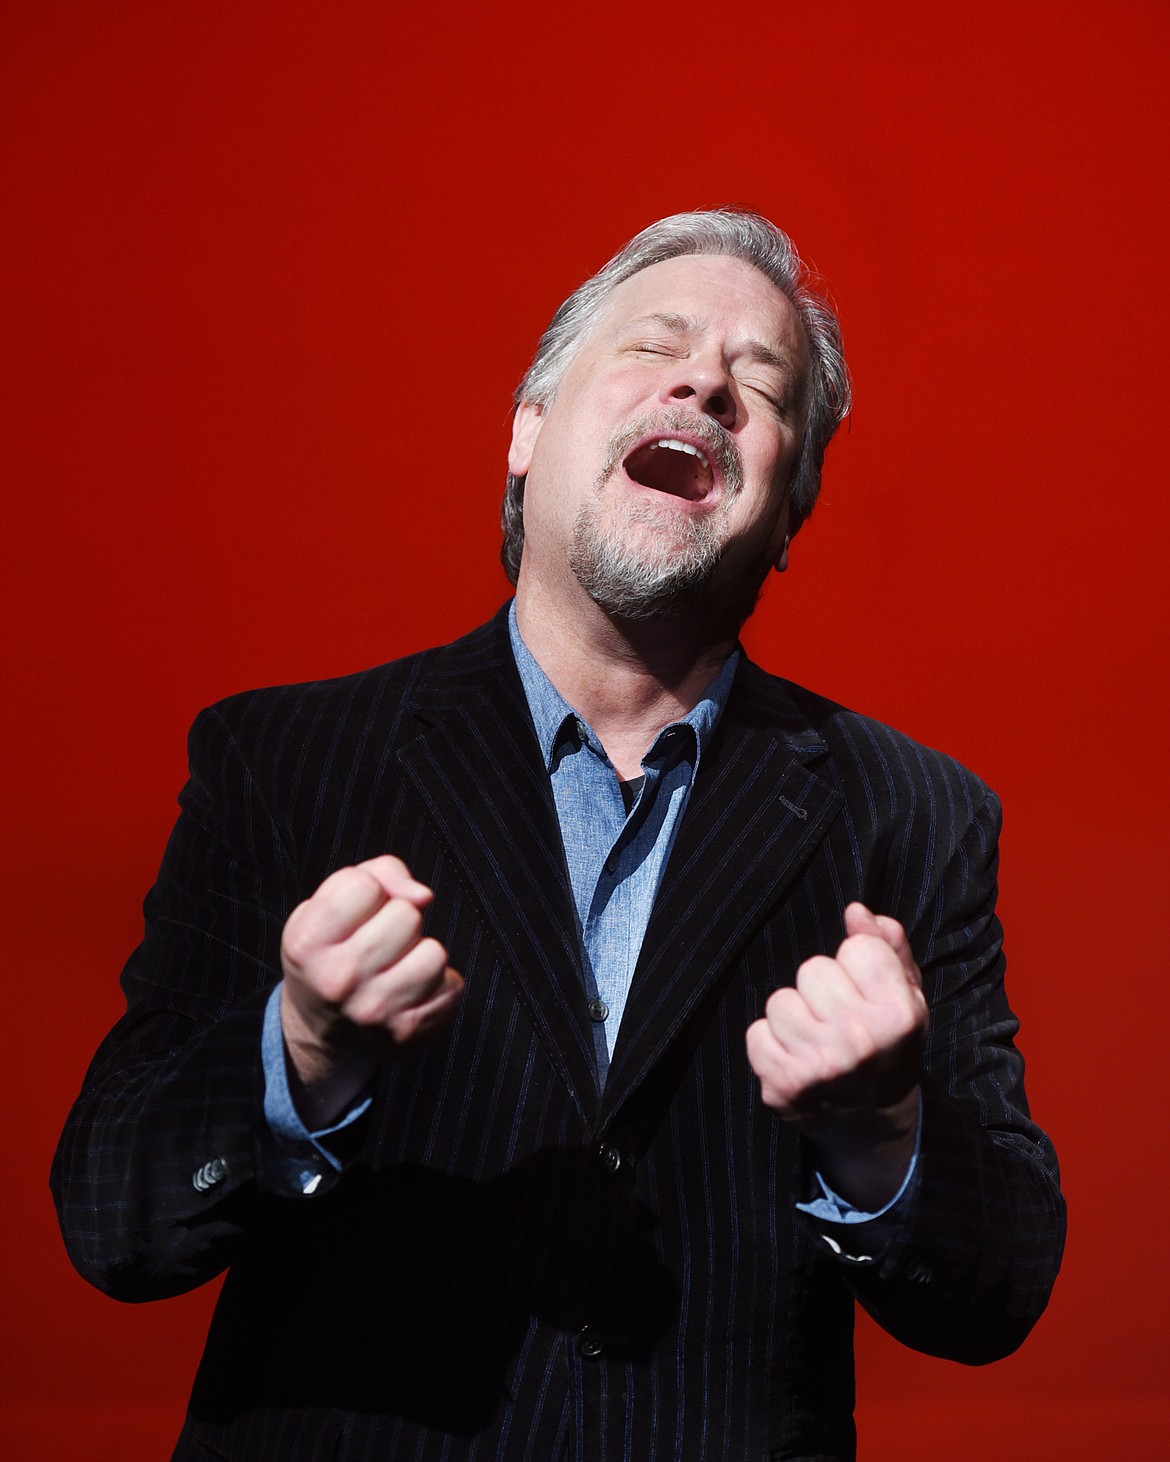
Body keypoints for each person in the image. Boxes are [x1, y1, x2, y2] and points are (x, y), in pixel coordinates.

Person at [52, 209, 1065, 1462]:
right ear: (528, 429)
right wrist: (296, 1054)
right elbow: (112, 1218)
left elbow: (1001, 1283)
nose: (707, 381)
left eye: (762, 383)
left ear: (789, 514)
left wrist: (883, 1129)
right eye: (658, 345)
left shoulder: (915, 813)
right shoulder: (282, 760)